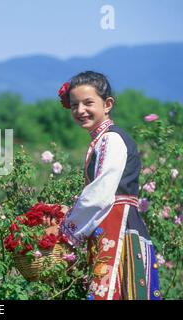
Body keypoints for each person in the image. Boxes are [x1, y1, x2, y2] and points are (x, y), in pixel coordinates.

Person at [51, 71, 161, 300]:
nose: (80, 110)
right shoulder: (102, 139)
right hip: (112, 227)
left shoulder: (111, 139)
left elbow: (100, 194)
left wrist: (66, 232)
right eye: (74, 105)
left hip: (118, 228)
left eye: (88, 102)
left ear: (107, 104)